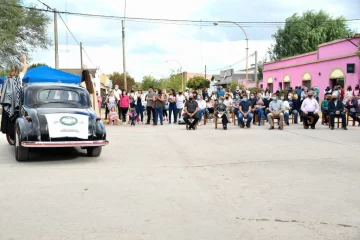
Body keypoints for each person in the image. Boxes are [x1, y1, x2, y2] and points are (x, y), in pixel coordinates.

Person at [0, 55, 27, 142]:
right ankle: (13, 137)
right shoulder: (17, 78)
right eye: (12, 71)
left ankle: (12, 137)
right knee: (15, 121)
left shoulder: (7, 79)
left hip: (11, 105)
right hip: (16, 105)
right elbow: (25, 68)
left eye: (13, 71)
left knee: (12, 121)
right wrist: (24, 60)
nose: (12, 73)